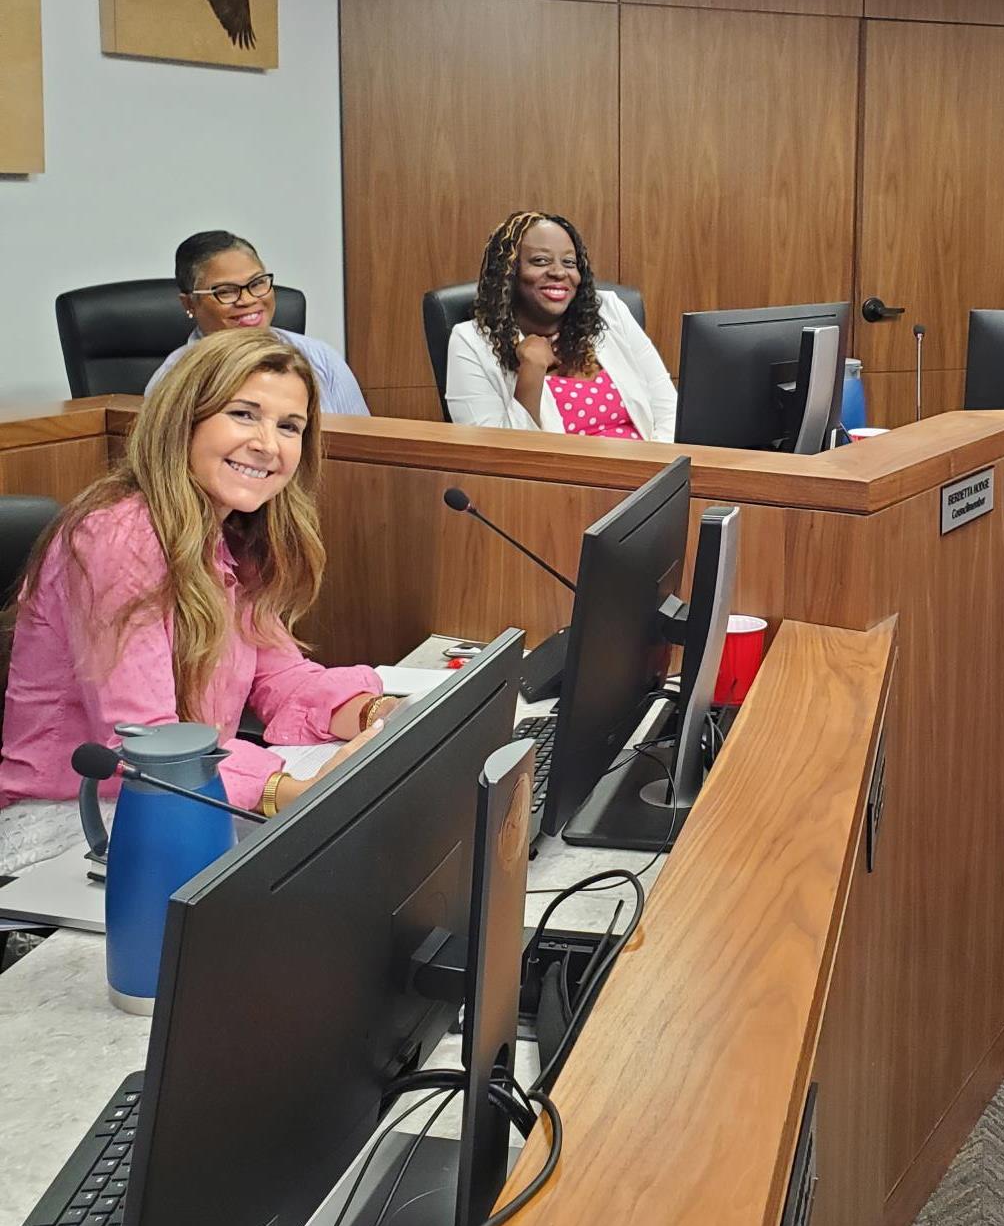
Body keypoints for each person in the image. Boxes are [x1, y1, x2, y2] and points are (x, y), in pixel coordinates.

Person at [0, 330, 401, 873]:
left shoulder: (232, 530)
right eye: (243, 414)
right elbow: (145, 744)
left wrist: (380, 718)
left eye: (290, 427)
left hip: (179, 799)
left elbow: (278, 677)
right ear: (184, 420)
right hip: (66, 826)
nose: (268, 443)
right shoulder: (119, 535)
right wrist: (288, 790)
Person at [446, 212, 676, 439]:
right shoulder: (471, 342)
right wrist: (531, 370)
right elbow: (497, 456)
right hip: (558, 475)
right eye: (540, 261)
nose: (558, 272)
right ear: (508, 273)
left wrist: (661, 470)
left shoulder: (609, 310)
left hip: (649, 468)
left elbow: (668, 411)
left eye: (569, 262)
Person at [145, 230, 370, 416]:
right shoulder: (173, 380)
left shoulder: (321, 358)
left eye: (257, 283)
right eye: (226, 291)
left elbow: (366, 449)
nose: (249, 300)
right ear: (189, 304)